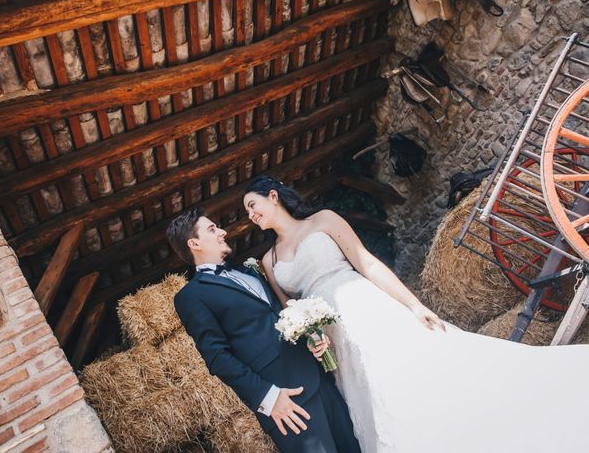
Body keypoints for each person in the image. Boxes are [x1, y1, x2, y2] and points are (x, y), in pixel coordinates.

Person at [243, 175, 589, 453]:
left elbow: (367, 263)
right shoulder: (269, 262)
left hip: (362, 303)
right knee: (374, 396)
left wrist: (414, 305)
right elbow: (291, 311)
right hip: (334, 338)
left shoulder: (324, 220)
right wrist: (314, 339)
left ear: (273, 196)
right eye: (247, 212)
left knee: (415, 368)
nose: (250, 214)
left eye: (252, 205)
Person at [166, 208, 362, 453]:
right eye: (212, 229)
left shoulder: (248, 271)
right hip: (287, 402)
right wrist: (268, 398)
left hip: (319, 378)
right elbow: (217, 358)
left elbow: (282, 317)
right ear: (194, 243)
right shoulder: (191, 296)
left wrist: (311, 339)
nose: (222, 232)